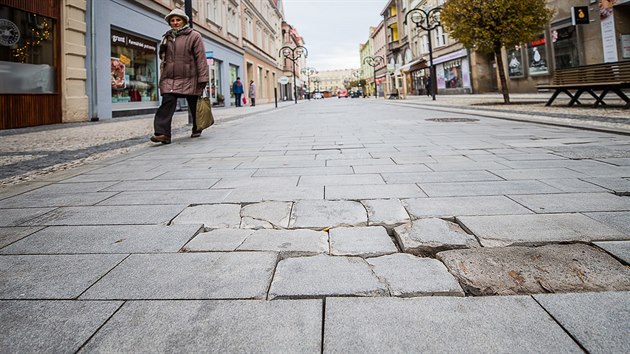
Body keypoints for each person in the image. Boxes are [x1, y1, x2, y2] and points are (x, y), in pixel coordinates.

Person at [151, 8, 208, 144]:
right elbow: (163, 58)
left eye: (178, 20)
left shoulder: (194, 36)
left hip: (190, 77)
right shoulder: (167, 37)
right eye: (172, 20)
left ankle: (197, 127)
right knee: (166, 103)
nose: (175, 22)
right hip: (170, 78)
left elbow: (201, 58)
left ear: (184, 21)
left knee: (193, 104)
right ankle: (163, 133)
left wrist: (203, 78)